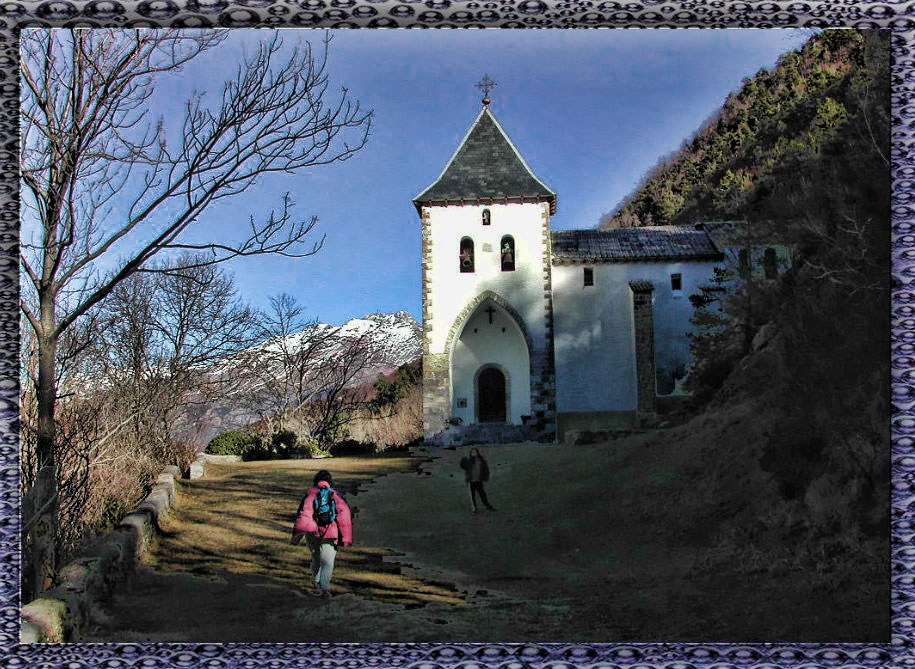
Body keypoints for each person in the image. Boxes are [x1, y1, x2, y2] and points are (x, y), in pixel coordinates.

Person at [291, 469, 353, 598]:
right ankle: (324, 588)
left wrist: (296, 536)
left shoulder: (310, 495)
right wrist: (346, 538)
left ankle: (316, 582)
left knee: (316, 557)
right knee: (328, 562)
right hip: (331, 532)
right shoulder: (336, 495)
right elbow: (344, 517)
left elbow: (302, 515)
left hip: (312, 533)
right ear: (330, 482)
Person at [459, 447, 495, 512]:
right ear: (470, 453)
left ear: (477, 452)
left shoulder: (481, 460)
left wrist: (485, 477)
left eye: (475, 452)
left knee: (483, 495)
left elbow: (485, 469)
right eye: (472, 452)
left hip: (479, 481)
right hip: (471, 481)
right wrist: (463, 458)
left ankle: (488, 506)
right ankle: (474, 508)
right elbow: (462, 466)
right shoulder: (468, 461)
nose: (474, 453)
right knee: (472, 496)